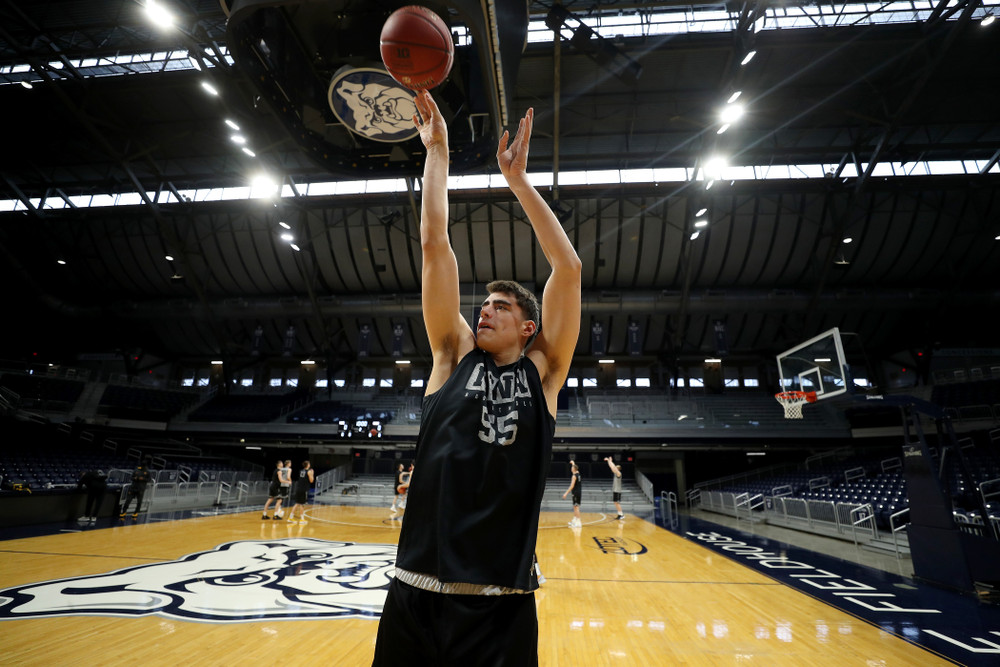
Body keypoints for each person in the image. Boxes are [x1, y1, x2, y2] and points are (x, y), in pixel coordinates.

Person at [372, 90, 582, 666]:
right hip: (416, 589)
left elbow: (568, 269)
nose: (483, 310)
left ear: (528, 326)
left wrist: (518, 182)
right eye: (483, 303)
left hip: (501, 602)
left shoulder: (545, 373)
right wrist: (436, 151)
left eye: (500, 307)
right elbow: (434, 243)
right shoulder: (451, 355)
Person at [562, 461, 582, 528]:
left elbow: (572, 486)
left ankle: (578, 522)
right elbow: (576, 468)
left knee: (576, 507)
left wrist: (566, 493)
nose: (571, 468)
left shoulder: (574, 476)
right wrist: (573, 463)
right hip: (578, 492)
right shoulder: (578, 473)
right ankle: (575, 520)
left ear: (573, 469)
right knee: (575, 506)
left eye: (572, 467)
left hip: (575, 492)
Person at [605, 456, 625, 520]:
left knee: (617, 502)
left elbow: (613, 467)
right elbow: (612, 467)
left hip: (618, 490)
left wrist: (610, 460)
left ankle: (621, 514)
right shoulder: (616, 473)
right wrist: (609, 461)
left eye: (616, 468)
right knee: (615, 502)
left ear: (618, 469)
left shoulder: (619, 473)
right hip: (615, 490)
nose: (614, 468)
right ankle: (619, 514)